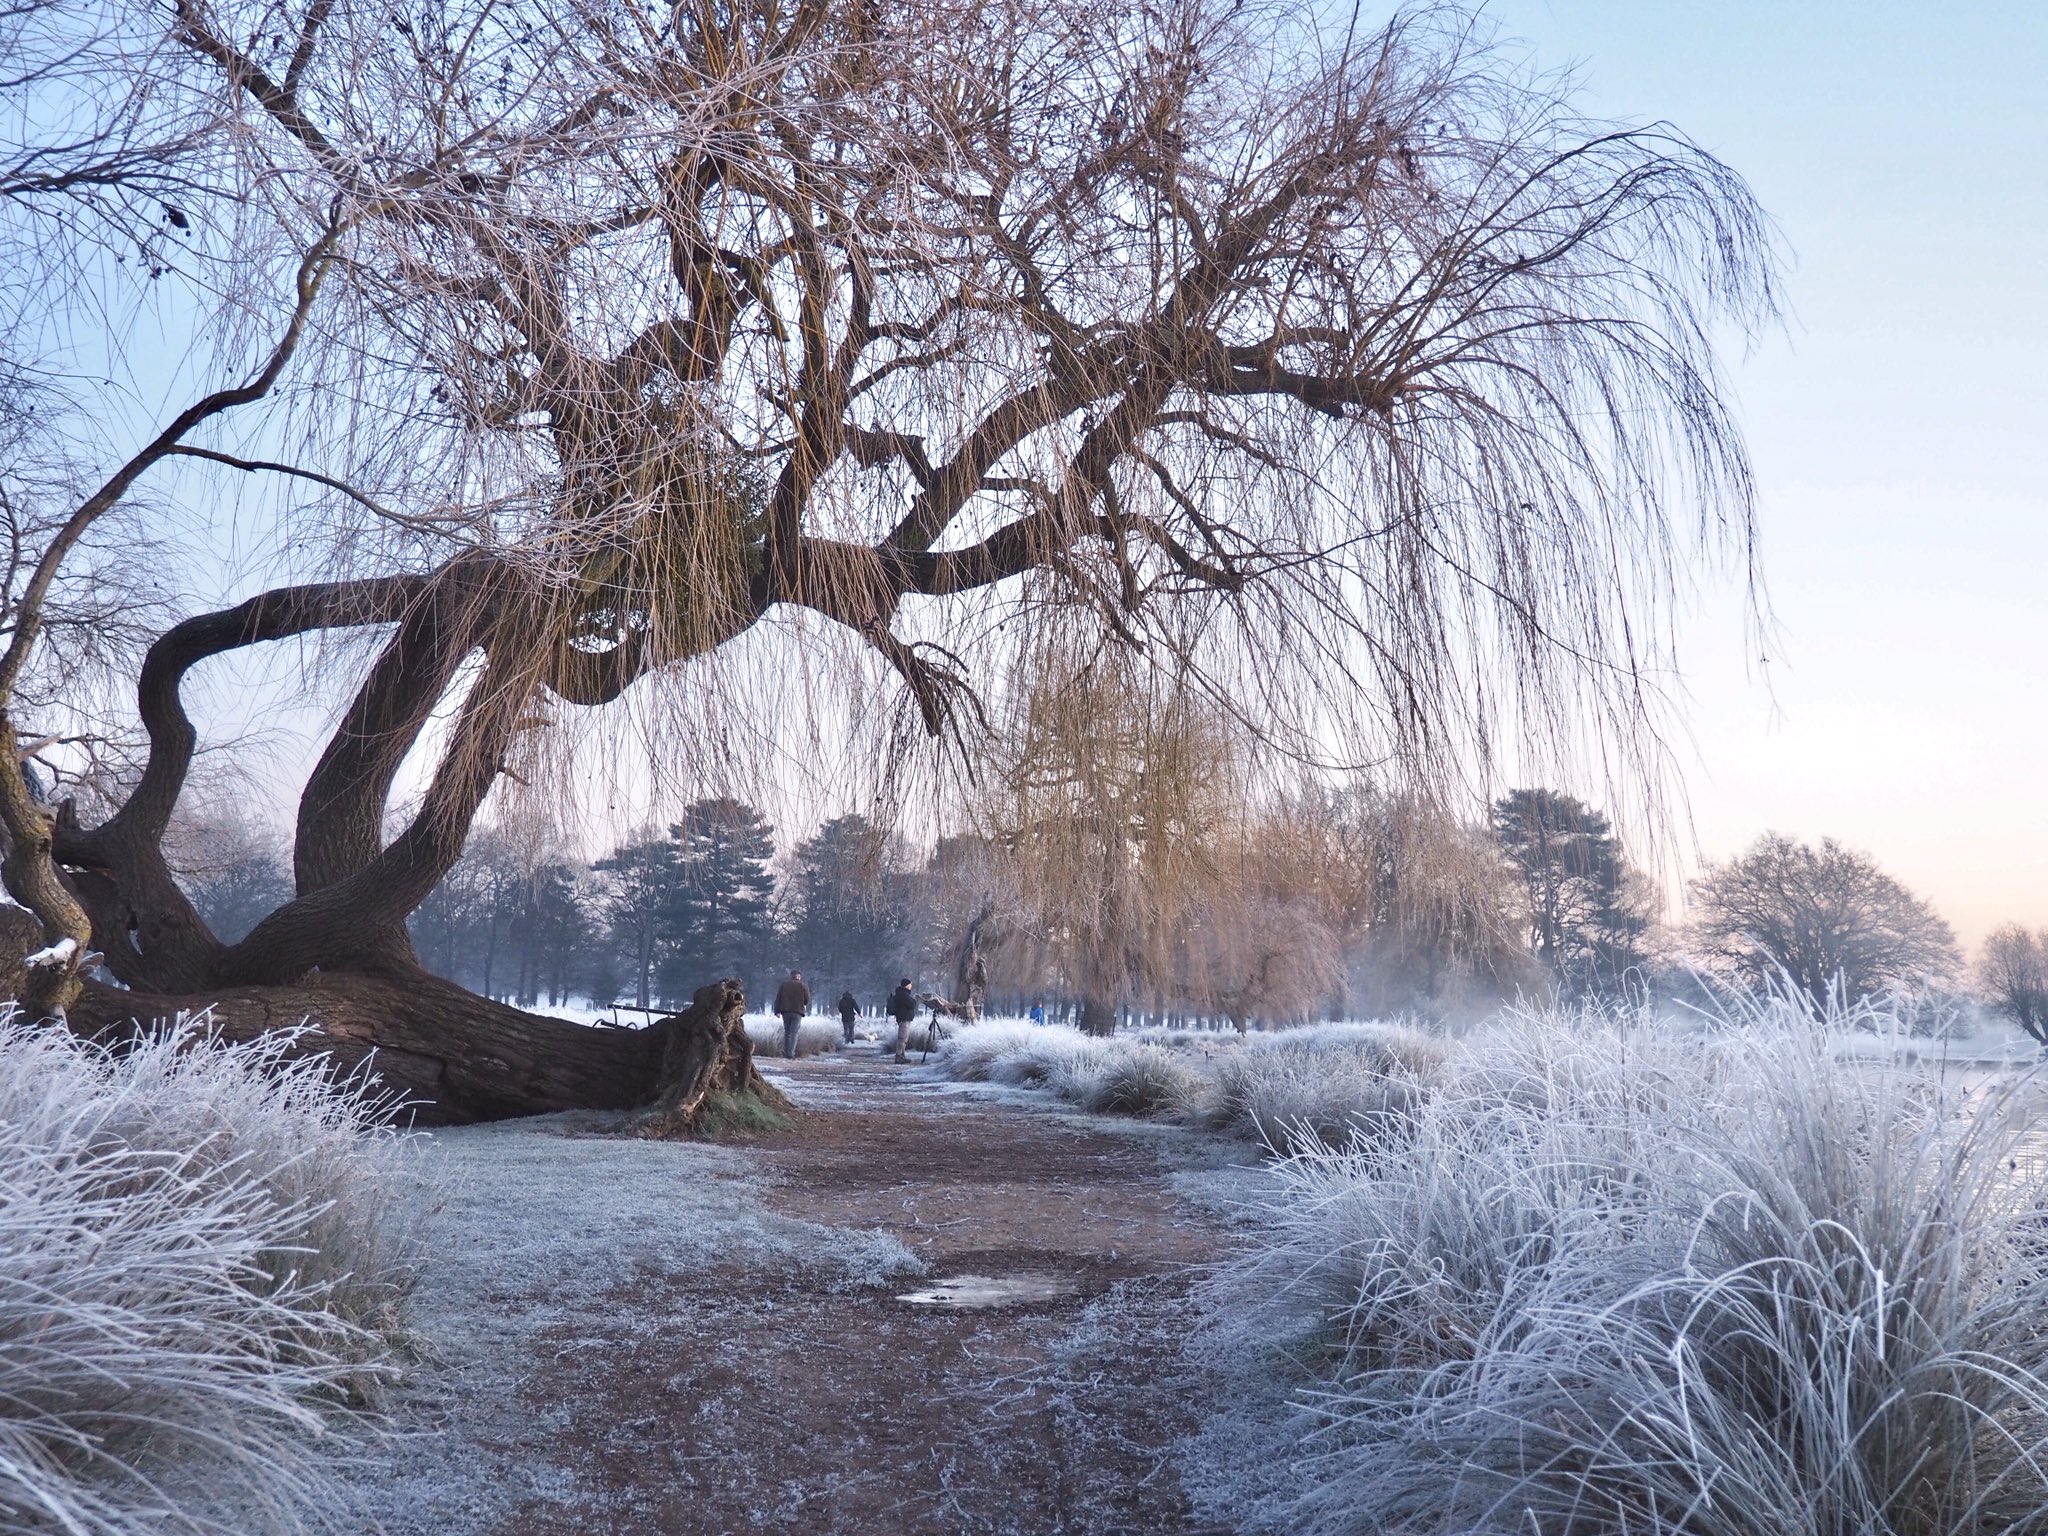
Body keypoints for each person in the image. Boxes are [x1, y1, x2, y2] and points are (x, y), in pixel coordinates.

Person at [773, 969, 811, 1059]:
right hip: (797, 1012)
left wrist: (777, 1011)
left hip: (785, 1011)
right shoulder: (802, 985)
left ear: (791, 976)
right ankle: (790, 1054)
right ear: (799, 976)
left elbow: (778, 998)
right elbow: (807, 999)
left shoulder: (784, 985)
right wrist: (803, 1003)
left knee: (787, 1032)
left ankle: (787, 1052)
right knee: (794, 1032)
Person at [886, 977, 919, 1064]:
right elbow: (912, 1004)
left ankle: (902, 1055)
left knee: (904, 1038)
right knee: (902, 1038)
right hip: (904, 1018)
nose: (911, 985)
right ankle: (899, 1056)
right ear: (907, 985)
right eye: (910, 984)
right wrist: (914, 1001)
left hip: (904, 1018)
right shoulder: (903, 994)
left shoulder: (903, 993)